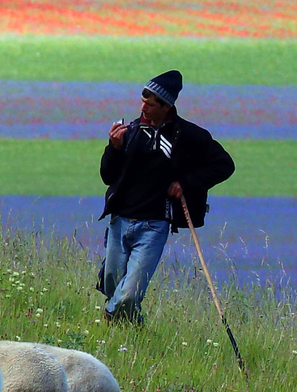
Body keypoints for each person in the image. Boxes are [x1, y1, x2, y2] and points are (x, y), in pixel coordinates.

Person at [97, 70, 236, 325]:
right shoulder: (129, 132)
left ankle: (111, 317)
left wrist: (185, 183)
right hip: (119, 221)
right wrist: (113, 148)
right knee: (112, 287)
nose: (143, 108)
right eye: (142, 102)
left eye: (150, 105)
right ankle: (132, 335)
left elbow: (224, 165)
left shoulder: (188, 136)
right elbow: (107, 176)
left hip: (154, 225)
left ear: (167, 106)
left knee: (128, 295)